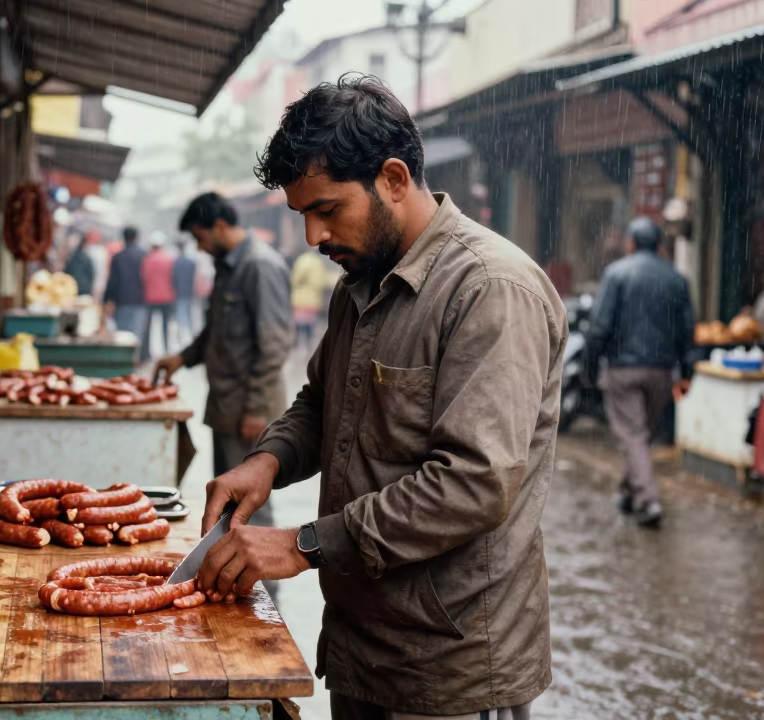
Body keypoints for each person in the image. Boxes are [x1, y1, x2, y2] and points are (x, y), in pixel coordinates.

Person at [190, 76, 562, 720]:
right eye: (302, 214)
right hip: (363, 640)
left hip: (450, 660)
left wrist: (302, 544)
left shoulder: (491, 290)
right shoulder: (358, 282)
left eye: (328, 210)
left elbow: (472, 484)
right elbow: (321, 398)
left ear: (393, 178)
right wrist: (268, 460)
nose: (312, 237)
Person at [152, 192, 293, 597]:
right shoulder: (227, 268)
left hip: (249, 411)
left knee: (252, 508)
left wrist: (256, 411)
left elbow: (273, 345)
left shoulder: (259, 267)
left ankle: (267, 605)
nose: (198, 247)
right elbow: (215, 333)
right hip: (225, 407)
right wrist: (181, 358)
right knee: (230, 508)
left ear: (217, 226)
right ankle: (237, 585)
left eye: (199, 237)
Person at [585, 218, 695, 528]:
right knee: (638, 435)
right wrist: (687, 371)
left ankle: (648, 501)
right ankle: (628, 491)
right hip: (661, 372)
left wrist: (590, 368)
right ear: (660, 246)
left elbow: (599, 327)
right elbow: (688, 332)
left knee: (632, 436)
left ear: (630, 243)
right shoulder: (676, 279)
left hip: (623, 369)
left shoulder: (616, 273)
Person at [104, 227, 148, 357]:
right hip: (140, 300)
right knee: (136, 334)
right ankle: (134, 361)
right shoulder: (143, 255)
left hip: (121, 300)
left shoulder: (118, 257)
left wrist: (106, 299)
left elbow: (112, 280)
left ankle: (122, 361)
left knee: (122, 335)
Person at [141, 232, 177, 359]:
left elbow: (144, 278)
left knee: (147, 327)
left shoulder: (148, 259)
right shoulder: (169, 259)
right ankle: (167, 350)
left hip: (150, 297)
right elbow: (173, 278)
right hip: (167, 296)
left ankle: (145, 352)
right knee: (166, 326)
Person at [290, 247, 328, 348]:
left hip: (302, 300)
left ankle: (299, 349)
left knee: (299, 329)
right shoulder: (319, 263)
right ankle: (309, 348)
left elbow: (296, 278)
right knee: (310, 328)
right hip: (314, 300)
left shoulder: (305, 260)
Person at [173, 239, 199, 347]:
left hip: (180, 292)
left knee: (181, 314)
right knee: (188, 314)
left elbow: (173, 279)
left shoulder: (176, 262)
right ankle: (189, 334)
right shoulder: (191, 262)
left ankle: (181, 335)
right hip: (188, 291)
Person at [63, 231, 96, 297]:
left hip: (72, 288)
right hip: (83, 290)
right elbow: (91, 275)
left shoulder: (72, 257)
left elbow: (66, 272)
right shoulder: (87, 258)